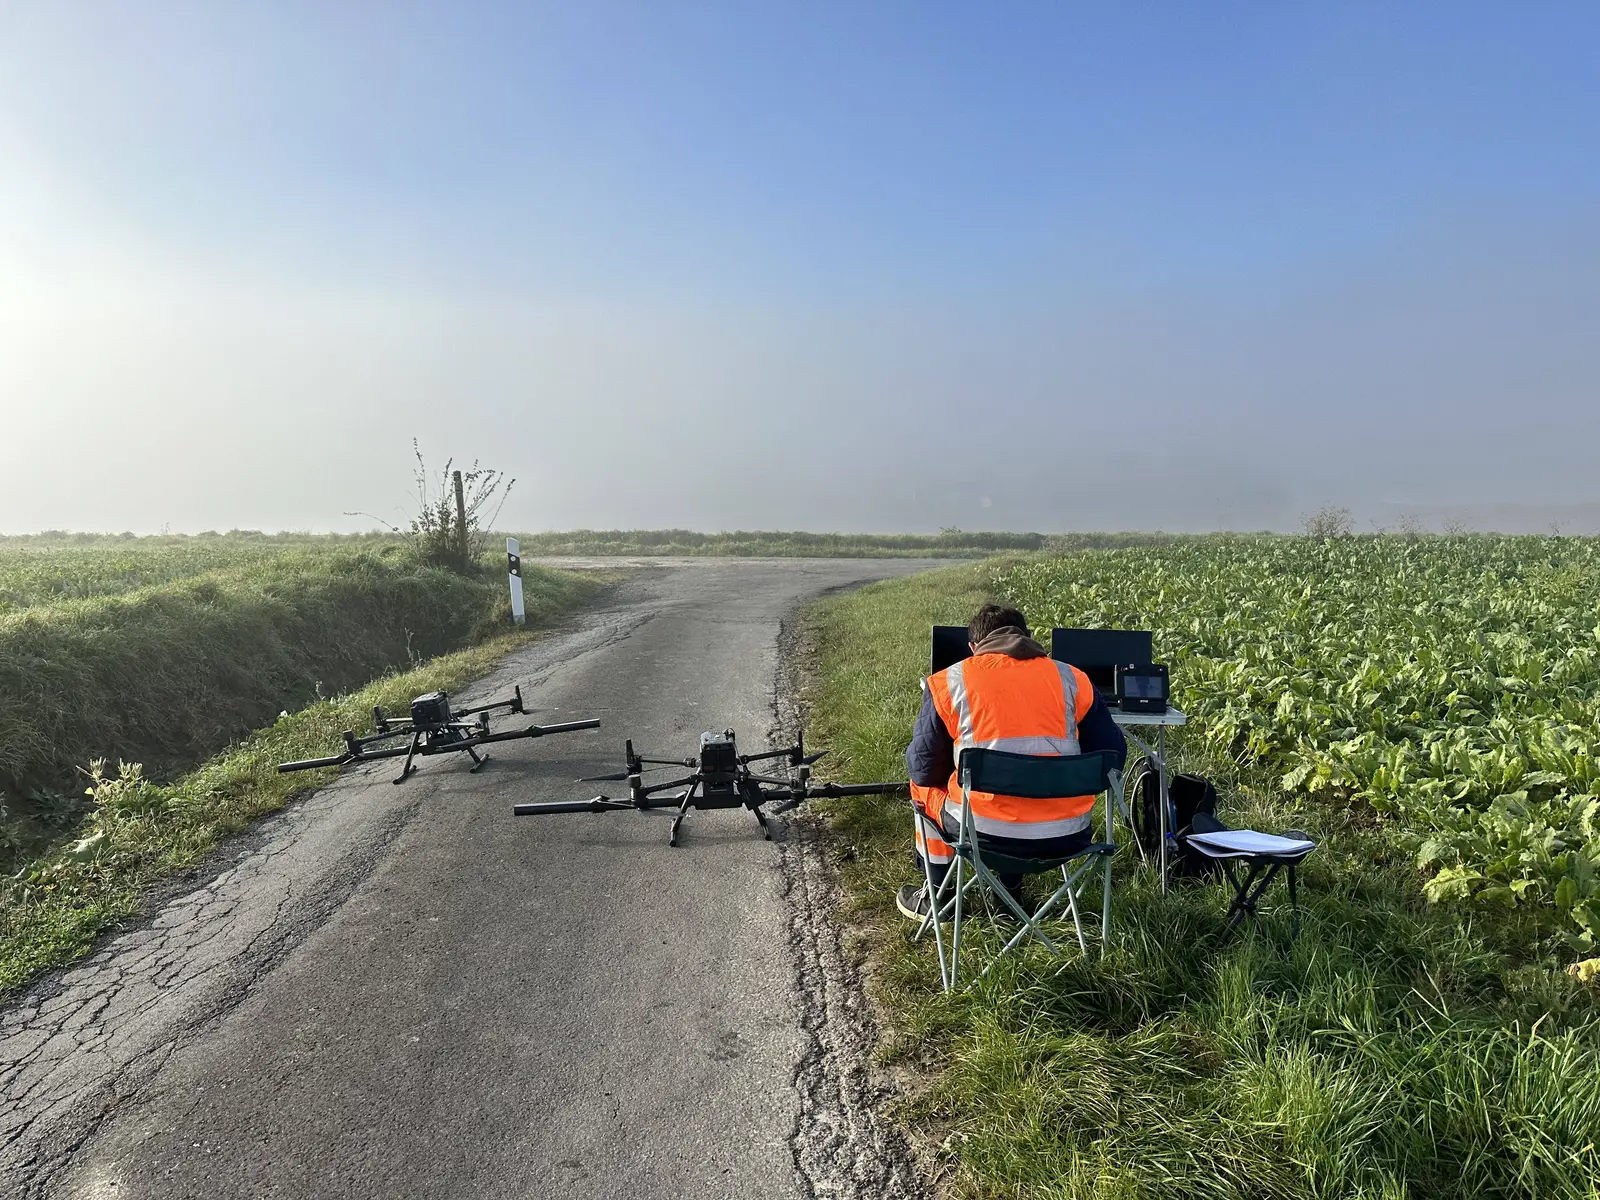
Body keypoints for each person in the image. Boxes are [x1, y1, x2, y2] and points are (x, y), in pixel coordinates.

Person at [897, 603, 1128, 921]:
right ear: (1028, 638)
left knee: (923, 787)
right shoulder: (1074, 679)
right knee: (1020, 789)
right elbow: (1113, 758)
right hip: (1068, 835)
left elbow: (922, 769)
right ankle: (1007, 896)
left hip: (981, 838)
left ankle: (939, 898)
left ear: (973, 647)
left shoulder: (948, 682)